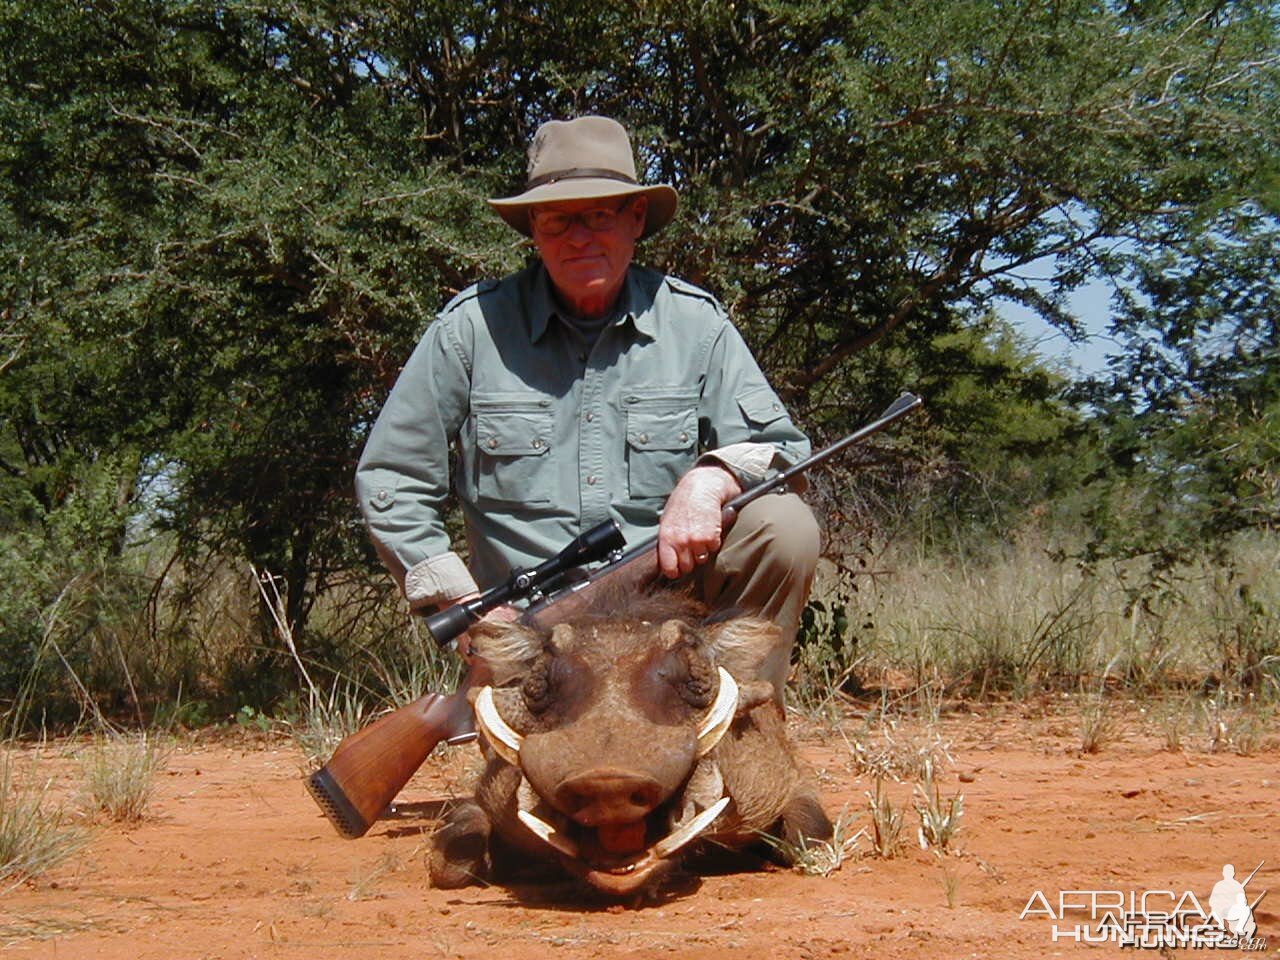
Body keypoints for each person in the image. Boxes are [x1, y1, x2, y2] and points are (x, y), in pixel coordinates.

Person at [355, 115, 818, 698]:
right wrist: (467, 607)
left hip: (665, 621)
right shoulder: (469, 329)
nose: (580, 237)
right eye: (559, 219)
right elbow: (392, 478)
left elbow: (783, 450)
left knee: (784, 526)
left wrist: (712, 478)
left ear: (636, 219)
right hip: (530, 635)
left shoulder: (695, 322)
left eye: (600, 215)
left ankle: (738, 730)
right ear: (533, 230)